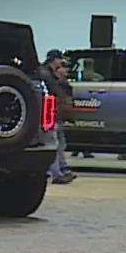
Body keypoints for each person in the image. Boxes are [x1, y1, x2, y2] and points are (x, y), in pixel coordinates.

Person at [40, 51, 76, 184]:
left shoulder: (49, 73)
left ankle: (62, 170)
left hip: (52, 111)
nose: (62, 63)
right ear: (53, 60)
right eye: (60, 60)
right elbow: (52, 93)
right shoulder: (46, 75)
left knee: (58, 142)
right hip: (48, 111)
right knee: (52, 142)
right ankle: (57, 173)